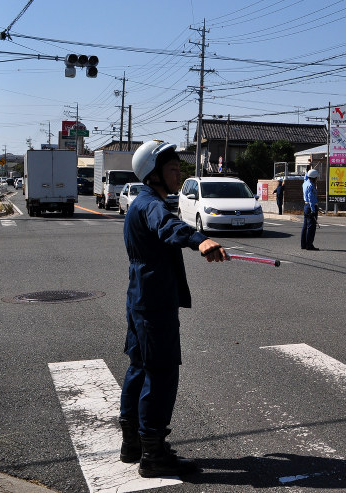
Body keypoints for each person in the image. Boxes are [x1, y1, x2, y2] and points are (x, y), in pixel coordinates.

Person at [119, 139, 228, 478]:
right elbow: (168, 226)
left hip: (142, 298)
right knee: (161, 373)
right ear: (153, 174)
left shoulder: (144, 202)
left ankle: (132, 443)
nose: (178, 174)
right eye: (172, 169)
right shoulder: (150, 205)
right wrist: (200, 239)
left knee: (140, 367)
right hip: (154, 303)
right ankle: (153, 454)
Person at [301, 169, 320, 250]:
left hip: (306, 206)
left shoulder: (305, 183)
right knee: (311, 227)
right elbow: (311, 199)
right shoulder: (311, 186)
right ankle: (309, 245)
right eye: (316, 178)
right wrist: (313, 210)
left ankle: (303, 245)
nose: (317, 179)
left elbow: (305, 177)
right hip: (310, 207)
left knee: (305, 226)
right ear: (313, 178)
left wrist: (308, 172)